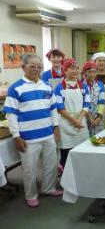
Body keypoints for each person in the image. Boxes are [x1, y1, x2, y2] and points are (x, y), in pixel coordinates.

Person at [4, 54, 62, 208]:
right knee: (29, 168)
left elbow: (53, 109)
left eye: (39, 66)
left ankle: (48, 188)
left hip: (48, 134)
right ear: (23, 67)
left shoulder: (47, 86)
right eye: (32, 66)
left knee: (51, 164)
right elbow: (11, 114)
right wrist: (16, 136)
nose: (36, 69)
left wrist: (56, 127)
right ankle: (31, 195)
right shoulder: (15, 88)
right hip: (28, 137)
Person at [54, 58, 90, 168]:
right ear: (65, 70)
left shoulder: (83, 86)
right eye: (71, 68)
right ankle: (65, 174)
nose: (74, 71)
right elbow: (60, 108)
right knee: (66, 152)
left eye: (76, 68)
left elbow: (86, 104)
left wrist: (79, 119)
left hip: (81, 122)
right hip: (66, 124)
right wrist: (74, 121)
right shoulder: (59, 88)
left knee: (81, 151)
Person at [82, 61, 105, 136]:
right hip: (84, 116)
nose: (92, 74)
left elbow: (102, 102)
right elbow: (83, 103)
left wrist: (99, 117)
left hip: (97, 117)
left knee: (98, 139)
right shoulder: (80, 85)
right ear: (85, 72)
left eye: (94, 72)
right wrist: (90, 117)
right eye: (89, 72)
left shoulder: (100, 85)